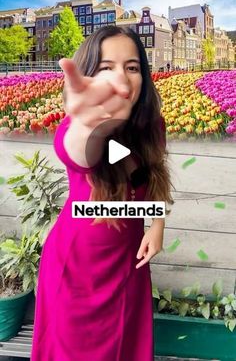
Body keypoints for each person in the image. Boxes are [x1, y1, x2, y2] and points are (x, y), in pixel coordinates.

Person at [31, 26, 174, 361]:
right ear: (88, 75)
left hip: (128, 267)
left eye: (132, 67)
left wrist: (156, 225)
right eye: (106, 67)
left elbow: (147, 178)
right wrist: (87, 124)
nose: (120, 77)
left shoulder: (152, 126)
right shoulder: (78, 129)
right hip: (75, 270)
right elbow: (81, 151)